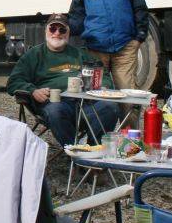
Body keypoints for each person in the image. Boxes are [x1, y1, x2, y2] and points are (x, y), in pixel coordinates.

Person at [7, 14, 122, 147]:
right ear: (46, 30)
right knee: (55, 111)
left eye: (62, 30)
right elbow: (14, 81)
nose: (57, 33)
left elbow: (103, 74)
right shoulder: (34, 55)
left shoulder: (80, 54)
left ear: (68, 33)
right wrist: (33, 91)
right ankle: (75, 151)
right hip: (55, 103)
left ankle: (93, 150)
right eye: (53, 29)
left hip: (85, 104)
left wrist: (102, 86)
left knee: (110, 107)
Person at [67, 0, 149, 90]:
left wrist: (139, 37)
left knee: (127, 94)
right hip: (96, 53)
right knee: (96, 94)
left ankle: (127, 108)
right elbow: (75, 23)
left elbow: (140, 7)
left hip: (125, 49)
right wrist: (59, 25)